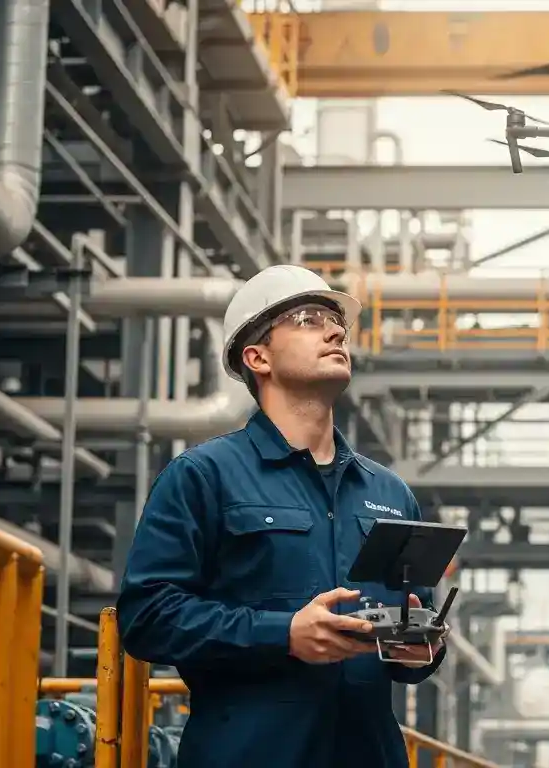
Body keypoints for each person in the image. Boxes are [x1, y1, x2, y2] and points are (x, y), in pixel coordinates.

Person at [116, 265, 448, 768]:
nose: (335, 332)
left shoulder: (390, 492)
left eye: (337, 322)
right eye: (310, 319)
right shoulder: (204, 476)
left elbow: (413, 633)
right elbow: (148, 618)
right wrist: (283, 633)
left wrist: (421, 647)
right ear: (258, 357)